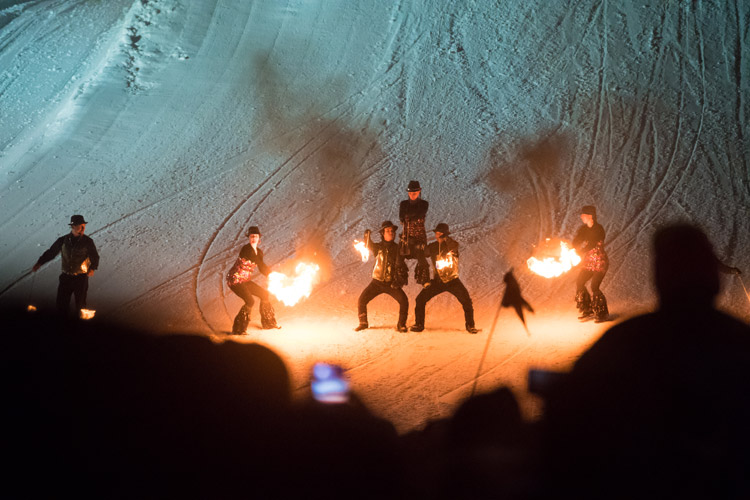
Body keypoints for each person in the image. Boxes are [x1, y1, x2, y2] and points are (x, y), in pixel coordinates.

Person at [542, 223, 750, 498]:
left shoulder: (623, 342)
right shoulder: (740, 342)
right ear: (712, 276)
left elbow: (570, 424)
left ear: (660, 276)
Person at [411, 223, 478, 334]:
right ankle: (419, 324)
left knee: (466, 301)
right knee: (420, 299)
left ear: (446, 234)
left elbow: (454, 247)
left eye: (441, 234)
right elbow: (423, 252)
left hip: (453, 281)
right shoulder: (432, 247)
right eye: (437, 233)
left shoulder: (452, 245)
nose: (438, 236)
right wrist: (415, 246)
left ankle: (470, 326)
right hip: (438, 281)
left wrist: (446, 239)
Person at [32, 214, 100, 318]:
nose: (83, 228)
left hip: (81, 279)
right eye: (80, 226)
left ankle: (80, 330)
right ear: (73, 226)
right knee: (61, 306)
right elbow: (51, 252)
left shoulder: (88, 241)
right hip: (66, 278)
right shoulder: (62, 240)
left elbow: (94, 256)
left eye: (83, 226)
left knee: (81, 306)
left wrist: (92, 268)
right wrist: (39, 263)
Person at [355, 220, 408, 332]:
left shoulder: (398, 248)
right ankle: (363, 323)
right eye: (388, 231)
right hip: (377, 282)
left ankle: (401, 325)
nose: (391, 233)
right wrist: (367, 236)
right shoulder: (378, 247)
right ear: (382, 233)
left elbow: (408, 255)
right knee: (362, 300)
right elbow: (369, 244)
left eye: (392, 231)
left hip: (391, 284)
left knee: (404, 301)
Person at [226, 226, 279, 333]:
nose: (253, 238)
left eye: (255, 236)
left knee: (264, 295)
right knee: (250, 301)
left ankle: (268, 323)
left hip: (245, 280)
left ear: (259, 237)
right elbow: (255, 260)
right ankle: (239, 330)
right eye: (251, 236)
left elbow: (261, 267)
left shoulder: (259, 252)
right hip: (235, 280)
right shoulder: (246, 249)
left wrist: (271, 275)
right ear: (249, 238)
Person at [572, 205, 609, 322]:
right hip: (588, 262)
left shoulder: (598, 229)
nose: (581, 216)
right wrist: (573, 248)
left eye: (583, 214)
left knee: (594, 286)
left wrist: (581, 250)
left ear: (590, 216)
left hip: (600, 262)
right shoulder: (584, 229)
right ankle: (588, 310)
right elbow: (577, 240)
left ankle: (601, 313)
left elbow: (592, 244)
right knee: (580, 282)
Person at [399, 180, 430, 286]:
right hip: (406, 237)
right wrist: (410, 217)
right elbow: (402, 217)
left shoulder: (424, 204)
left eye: (415, 193)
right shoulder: (403, 204)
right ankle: (399, 279)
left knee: (421, 258)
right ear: (408, 193)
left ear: (419, 192)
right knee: (398, 257)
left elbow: (419, 215)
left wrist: (409, 217)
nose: (412, 195)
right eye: (411, 193)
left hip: (419, 237)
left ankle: (424, 279)